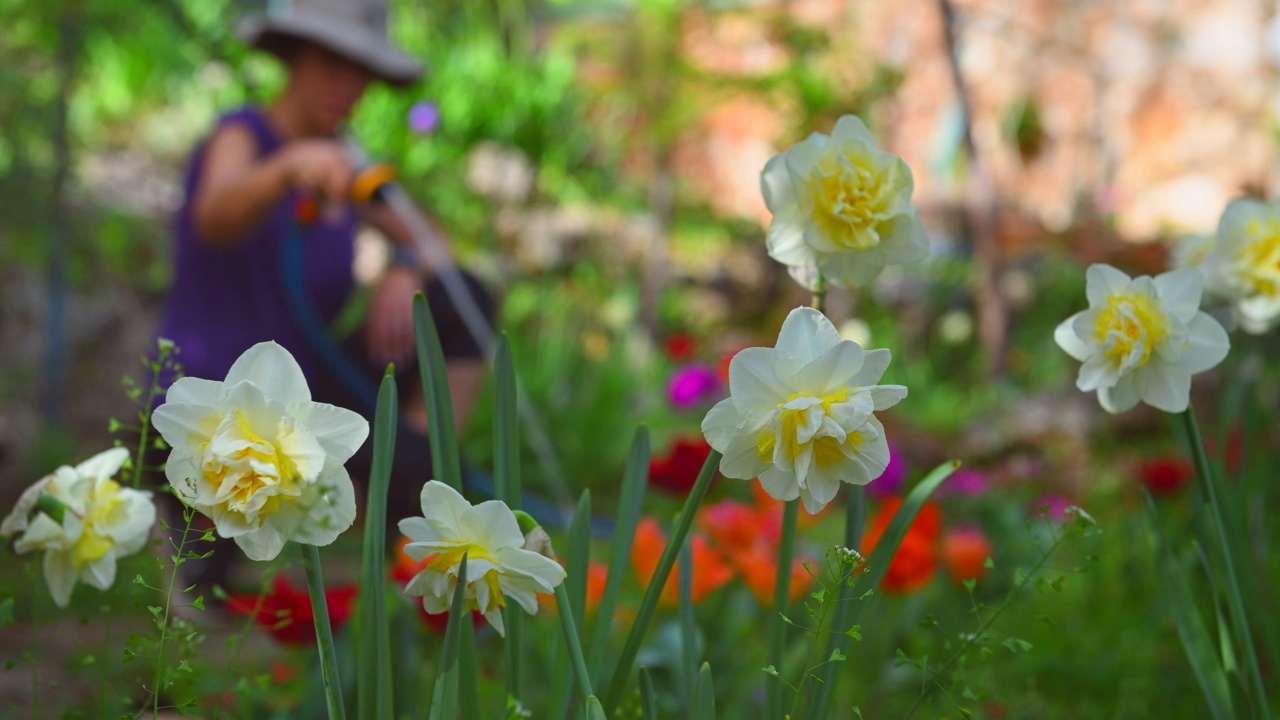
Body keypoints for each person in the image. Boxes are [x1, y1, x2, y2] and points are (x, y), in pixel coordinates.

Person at [156, 0, 493, 585]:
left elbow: (436, 249)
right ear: (294, 59)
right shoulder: (243, 136)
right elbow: (215, 215)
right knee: (214, 582)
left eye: (362, 73)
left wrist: (405, 264)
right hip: (214, 401)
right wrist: (286, 168)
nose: (350, 86)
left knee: (463, 296)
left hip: (305, 397)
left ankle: (425, 495)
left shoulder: (345, 165)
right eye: (333, 66)